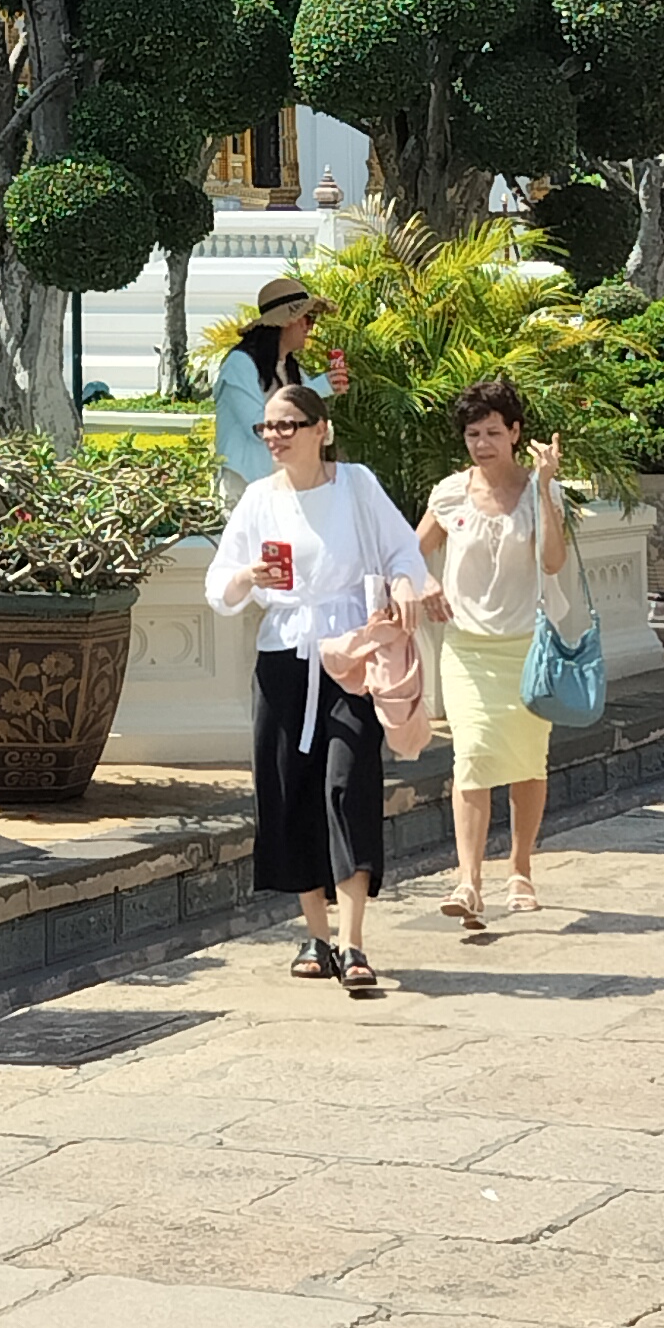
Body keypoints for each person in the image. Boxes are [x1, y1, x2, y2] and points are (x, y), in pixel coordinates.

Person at [205, 373, 427, 997]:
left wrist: (407, 583)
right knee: (289, 790)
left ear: (320, 430)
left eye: (287, 426)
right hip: (283, 657)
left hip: (349, 655)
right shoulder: (258, 499)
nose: (275, 437)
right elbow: (219, 587)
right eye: (267, 427)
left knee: (347, 783)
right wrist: (249, 574)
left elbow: (402, 550)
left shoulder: (357, 484)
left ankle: (354, 940)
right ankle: (316, 934)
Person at [414, 374, 576, 931]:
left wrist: (547, 485)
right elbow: (410, 554)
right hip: (466, 647)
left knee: (529, 760)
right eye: (472, 434)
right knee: (475, 755)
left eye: (491, 432)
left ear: (515, 432)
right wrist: (423, 584)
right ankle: (468, 879)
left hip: (528, 646)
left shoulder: (541, 491)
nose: (481, 444)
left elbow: (553, 561)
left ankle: (521, 867)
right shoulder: (450, 492)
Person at [213, 274, 349, 501]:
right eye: (307, 318)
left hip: (282, 486)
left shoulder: (288, 367)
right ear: (285, 322)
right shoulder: (239, 364)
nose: (310, 327)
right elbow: (260, 428)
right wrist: (319, 388)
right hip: (245, 487)